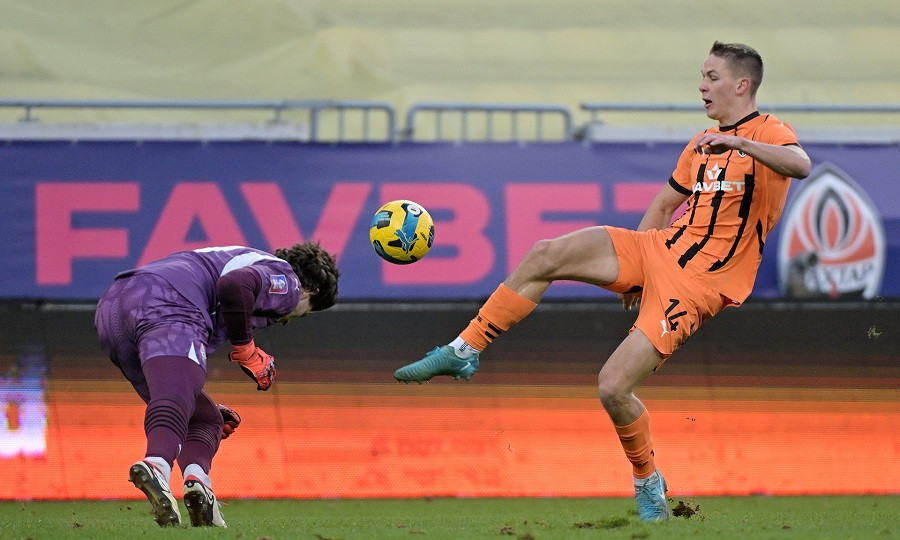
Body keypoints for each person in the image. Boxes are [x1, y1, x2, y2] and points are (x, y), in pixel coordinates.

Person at [393, 41, 811, 522]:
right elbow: (663, 206)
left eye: (711, 77)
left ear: (742, 84)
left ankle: (647, 481)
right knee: (545, 253)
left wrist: (740, 144)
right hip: (658, 250)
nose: (701, 86)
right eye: (702, 75)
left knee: (613, 387)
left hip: (700, 284)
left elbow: (801, 165)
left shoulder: (769, 132)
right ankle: (464, 350)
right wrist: (640, 275)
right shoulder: (701, 143)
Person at [95, 242, 339, 528]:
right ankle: (156, 465)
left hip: (113, 307)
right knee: (177, 399)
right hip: (166, 299)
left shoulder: (247, 261)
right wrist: (246, 349)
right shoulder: (288, 281)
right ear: (311, 292)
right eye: (305, 312)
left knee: (205, 417)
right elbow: (235, 285)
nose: (289, 319)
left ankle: (199, 486)